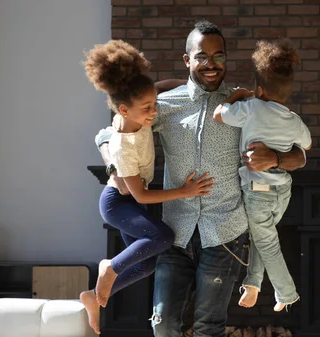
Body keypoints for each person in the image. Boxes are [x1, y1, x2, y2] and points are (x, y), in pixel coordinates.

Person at [95, 21, 306, 337]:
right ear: (187, 60)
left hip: (225, 231)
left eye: (218, 56)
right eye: (201, 56)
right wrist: (117, 170)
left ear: (226, 58)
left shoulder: (248, 106)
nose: (210, 64)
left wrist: (274, 158)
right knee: (164, 325)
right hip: (175, 231)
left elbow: (299, 155)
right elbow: (104, 135)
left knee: (210, 327)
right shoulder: (163, 105)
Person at [80, 39, 214, 335]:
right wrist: (185, 191)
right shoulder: (123, 144)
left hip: (132, 203)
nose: (154, 111)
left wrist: (192, 84)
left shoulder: (135, 118)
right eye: (147, 107)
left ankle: (93, 296)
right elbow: (137, 193)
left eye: (154, 104)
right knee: (163, 236)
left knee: (147, 264)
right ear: (125, 109)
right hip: (119, 204)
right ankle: (110, 268)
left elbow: (161, 86)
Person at [213, 38, 311, 312]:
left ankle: (287, 293)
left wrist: (237, 95)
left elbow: (218, 115)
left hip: (258, 193)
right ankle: (253, 283)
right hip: (283, 193)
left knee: (267, 243)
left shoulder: (251, 107)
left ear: (259, 89)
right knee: (262, 236)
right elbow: (307, 145)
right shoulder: (293, 119)